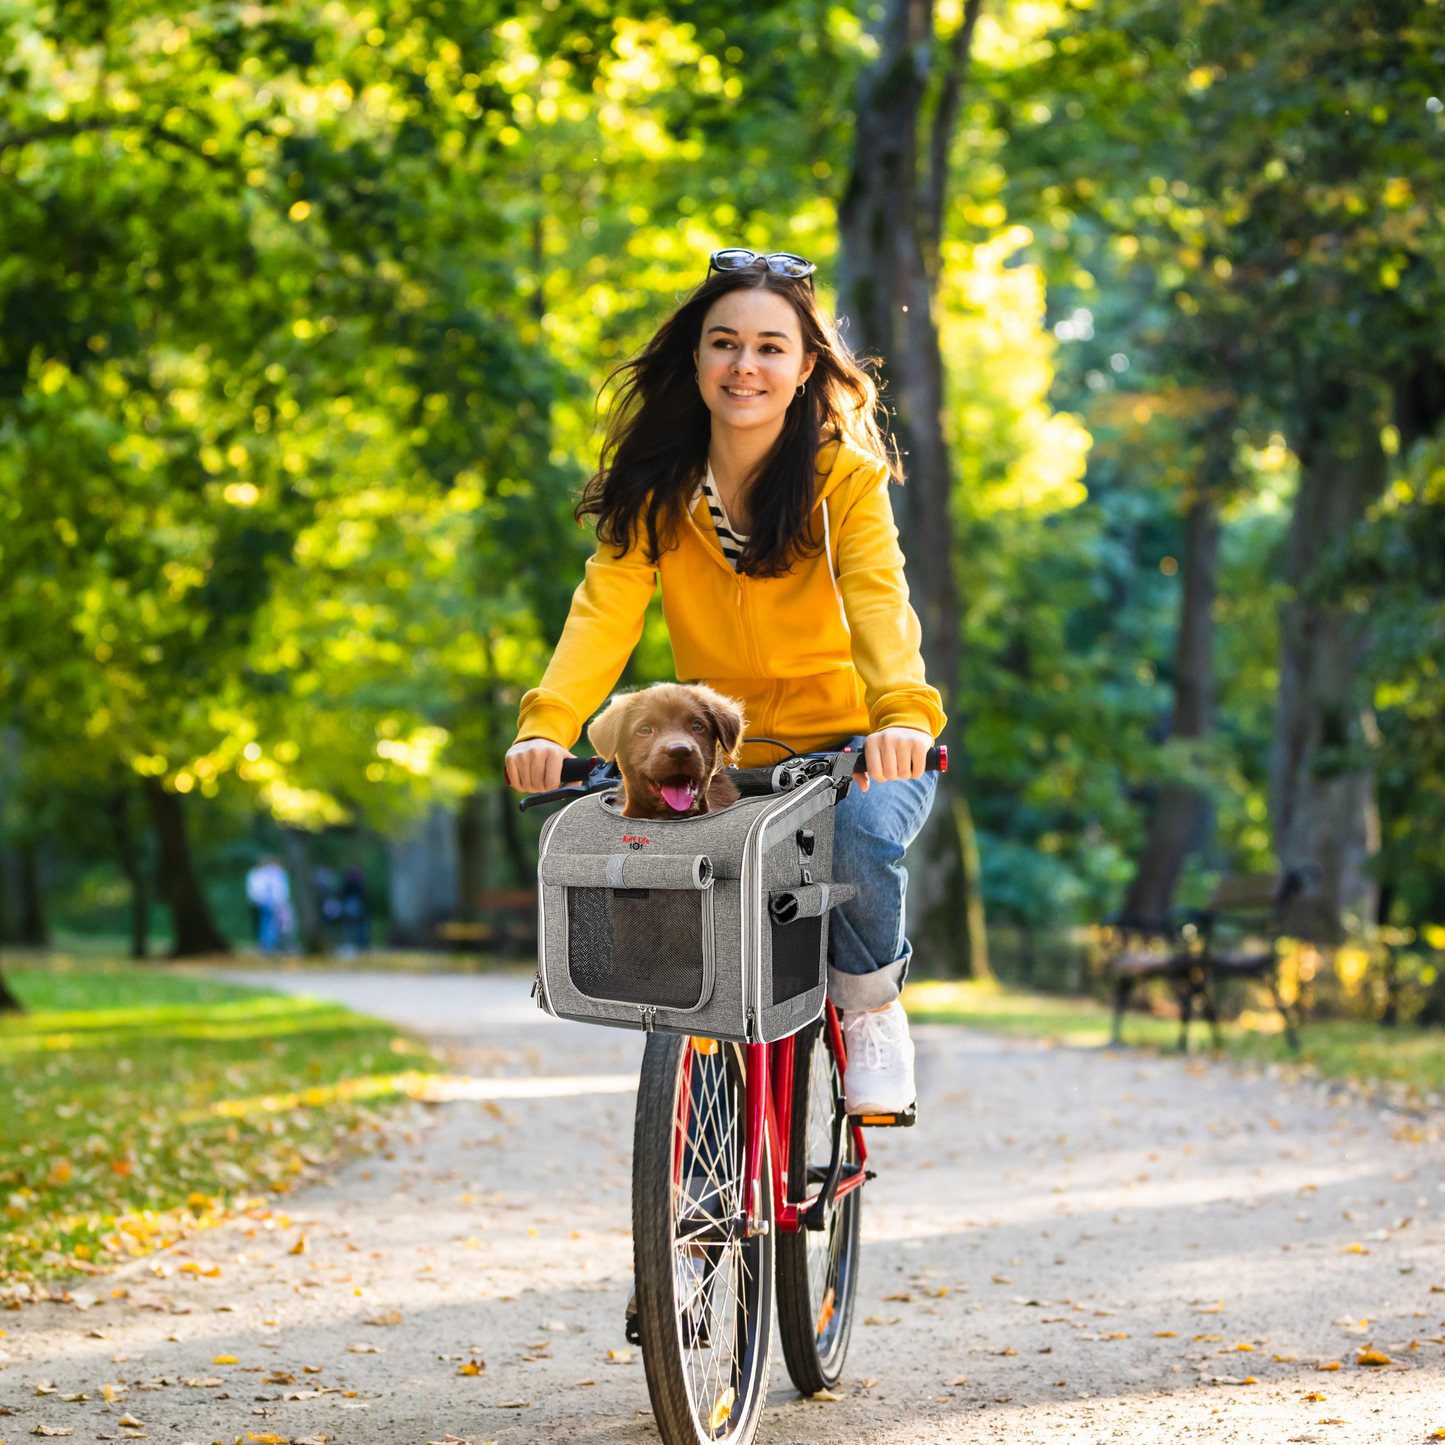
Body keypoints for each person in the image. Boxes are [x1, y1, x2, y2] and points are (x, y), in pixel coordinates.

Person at [504, 249, 944, 1114]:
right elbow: (602, 613)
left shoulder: (843, 483)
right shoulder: (656, 494)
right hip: (722, 756)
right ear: (696, 359)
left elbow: (878, 602)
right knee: (678, 882)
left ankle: (869, 1006)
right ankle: (701, 1143)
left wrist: (898, 714)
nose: (746, 365)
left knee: (858, 835)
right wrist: (546, 725)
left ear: (805, 365)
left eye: (771, 347)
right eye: (724, 343)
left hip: (856, 749)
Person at [244, 855, 291, 954]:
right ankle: (269, 944)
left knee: (268, 923)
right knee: (270, 923)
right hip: (269, 902)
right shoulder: (273, 873)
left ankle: (269, 944)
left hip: (266, 902)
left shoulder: (261, 873)